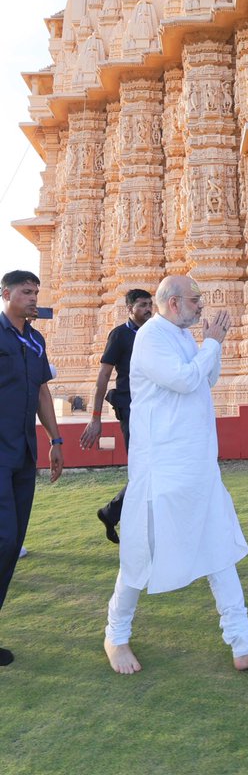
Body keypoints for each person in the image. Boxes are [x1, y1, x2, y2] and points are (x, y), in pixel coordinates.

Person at [103, 274, 248, 675]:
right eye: (195, 300)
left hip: (197, 464)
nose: (201, 306)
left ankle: (243, 641)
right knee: (141, 554)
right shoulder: (152, 338)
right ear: (173, 303)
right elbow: (186, 379)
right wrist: (213, 344)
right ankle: (115, 635)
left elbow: (206, 379)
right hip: (163, 467)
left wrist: (211, 348)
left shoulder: (182, 336)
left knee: (217, 546)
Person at [0, 270, 64, 666]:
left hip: (23, 453)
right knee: (5, 538)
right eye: (26, 291)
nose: (32, 297)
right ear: (5, 294)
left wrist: (55, 441)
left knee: (13, 540)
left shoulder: (36, 341)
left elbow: (42, 391)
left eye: (36, 292)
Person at [80, 289, 153, 542]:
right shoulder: (120, 335)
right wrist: (96, 417)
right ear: (129, 309)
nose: (148, 309)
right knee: (144, 468)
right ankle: (118, 515)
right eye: (142, 305)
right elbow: (103, 377)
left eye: (150, 304)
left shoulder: (154, 332)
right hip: (131, 408)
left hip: (153, 408)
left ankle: (112, 513)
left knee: (154, 466)